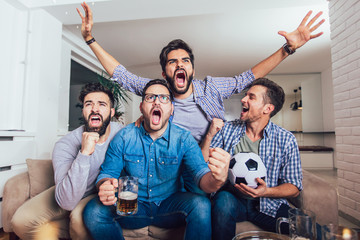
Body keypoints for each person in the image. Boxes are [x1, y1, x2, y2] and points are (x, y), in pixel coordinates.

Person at [76, 2, 325, 143]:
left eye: (185, 60)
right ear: (165, 73)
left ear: (192, 69)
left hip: (208, 162)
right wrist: (89, 39)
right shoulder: (158, 93)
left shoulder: (212, 87)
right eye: (173, 62)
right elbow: (121, 74)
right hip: (170, 162)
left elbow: (248, 77)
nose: (180, 65)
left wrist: (287, 49)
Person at [82, 79, 230, 240]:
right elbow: (108, 173)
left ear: (172, 109)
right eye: (150, 97)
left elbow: (202, 177)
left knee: (201, 205)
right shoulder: (124, 137)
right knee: (93, 211)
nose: (157, 102)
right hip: (133, 207)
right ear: (141, 107)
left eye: (164, 98)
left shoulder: (183, 138)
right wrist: (104, 185)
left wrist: (218, 179)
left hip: (170, 207)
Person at [11, 83, 123, 240]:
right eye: (88, 104)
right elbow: (67, 201)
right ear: (83, 111)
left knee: (79, 218)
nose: (95, 109)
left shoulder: (123, 133)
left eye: (102, 104)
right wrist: (84, 153)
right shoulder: (66, 144)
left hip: (98, 192)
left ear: (111, 112)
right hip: (70, 189)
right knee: (20, 221)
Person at [201, 78, 303, 240]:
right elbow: (202, 164)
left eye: (251, 97)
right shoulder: (227, 130)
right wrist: (209, 135)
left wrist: (266, 191)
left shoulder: (286, 139)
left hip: (269, 204)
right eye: (245, 95)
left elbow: (294, 186)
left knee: (309, 228)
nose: (243, 99)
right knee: (223, 200)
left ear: (267, 108)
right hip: (232, 200)